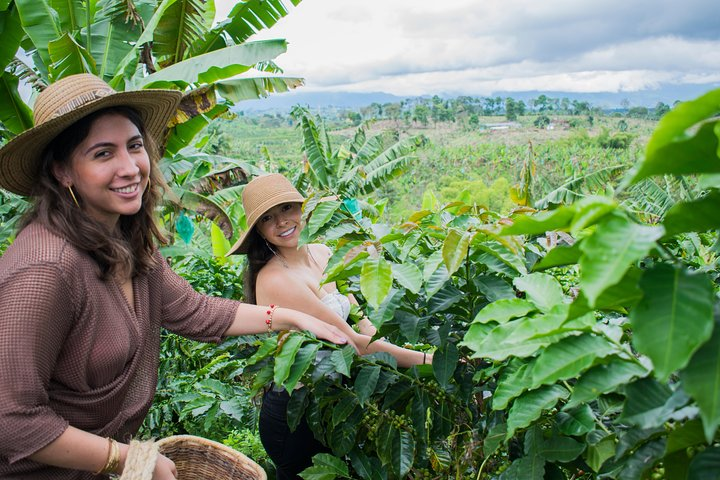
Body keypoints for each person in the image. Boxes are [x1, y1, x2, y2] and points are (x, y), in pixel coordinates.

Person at [0, 74, 350, 480]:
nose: (130, 168)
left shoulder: (128, 244)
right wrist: (128, 459)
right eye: (102, 154)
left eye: (134, 146)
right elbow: (12, 419)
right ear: (62, 171)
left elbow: (196, 311)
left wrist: (291, 317)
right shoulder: (46, 270)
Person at [227, 173, 432, 479]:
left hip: (331, 400)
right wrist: (428, 361)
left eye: (286, 209)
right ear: (259, 230)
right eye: (268, 218)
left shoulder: (322, 253)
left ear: (302, 208)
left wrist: (409, 354)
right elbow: (349, 342)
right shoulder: (275, 279)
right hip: (296, 414)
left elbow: (362, 323)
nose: (282, 222)